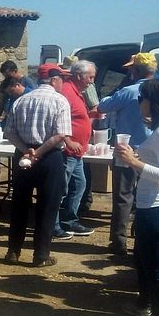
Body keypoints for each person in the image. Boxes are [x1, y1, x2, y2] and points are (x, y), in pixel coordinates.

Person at [4, 64, 74, 267]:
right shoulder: (60, 100)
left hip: (23, 154)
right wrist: (39, 152)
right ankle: (41, 255)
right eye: (62, 79)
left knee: (19, 203)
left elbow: (9, 132)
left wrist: (26, 150)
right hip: (49, 156)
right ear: (53, 80)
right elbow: (60, 134)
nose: (63, 83)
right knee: (48, 206)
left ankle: (13, 250)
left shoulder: (21, 100)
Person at [114, 79, 159, 316]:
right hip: (148, 205)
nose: (139, 103)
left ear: (153, 102)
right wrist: (136, 158)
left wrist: (135, 162)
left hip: (156, 207)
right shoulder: (157, 131)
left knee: (155, 268)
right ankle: (148, 310)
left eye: (142, 98)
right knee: (145, 262)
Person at [98, 53, 157, 256]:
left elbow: (103, 106)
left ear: (136, 71)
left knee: (123, 197)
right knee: (150, 197)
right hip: (153, 151)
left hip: (126, 151)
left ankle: (119, 242)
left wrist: (119, 88)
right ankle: (142, 240)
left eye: (131, 68)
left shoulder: (128, 91)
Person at [52, 60, 97, 240]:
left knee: (79, 185)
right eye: (90, 77)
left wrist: (91, 118)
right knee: (60, 189)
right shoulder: (67, 92)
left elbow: (77, 118)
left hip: (77, 152)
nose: (92, 82)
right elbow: (57, 120)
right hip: (67, 151)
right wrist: (68, 140)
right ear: (79, 75)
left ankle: (69, 220)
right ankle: (53, 225)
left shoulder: (77, 92)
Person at [0, 61, 35, 188]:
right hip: (8, 120)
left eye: (8, 75)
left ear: (15, 72)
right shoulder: (6, 85)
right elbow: (1, 103)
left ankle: (18, 178)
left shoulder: (28, 83)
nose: (6, 78)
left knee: (18, 149)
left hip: (22, 122)